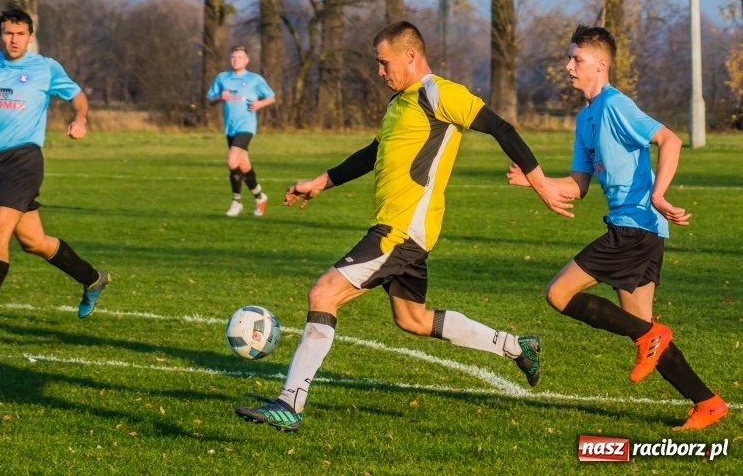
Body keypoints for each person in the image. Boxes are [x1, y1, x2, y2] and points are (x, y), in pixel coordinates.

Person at [234, 21, 575, 432]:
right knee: (412, 319)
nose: (380, 72)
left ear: (411, 56)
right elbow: (373, 154)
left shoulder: (438, 92)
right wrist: (319, 183)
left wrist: (540, 183)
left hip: (401, 230)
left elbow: (501, 127)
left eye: (384, 62)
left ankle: (290, 403)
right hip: (405, 230)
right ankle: (516, 347)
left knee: (323, 293)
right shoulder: (400, 103)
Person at [507, 24, 728, 431]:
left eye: (577, 59)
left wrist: (659, 195)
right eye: (570, 58)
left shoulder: (615, 105)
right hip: (640, 231)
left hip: (635, 227)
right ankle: (708, 402)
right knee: (642, 327)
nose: (569, 65)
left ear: (601, 65)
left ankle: (653, 340)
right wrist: (535, 181)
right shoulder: (586, 118)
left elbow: (670, 140)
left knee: (558, 293)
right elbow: (579, 185)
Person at [0, 9, 110, 335]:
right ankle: (93, 279)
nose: (14, 39)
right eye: (8, 33)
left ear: (29, 36)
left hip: (25, 160)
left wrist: (80, 118)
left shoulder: (44, 67)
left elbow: (77, 96)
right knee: (33, 241)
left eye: (20, 34)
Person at [207, 45, 276, 217]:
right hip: (230, 127)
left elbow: (271, 97)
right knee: (243, 165)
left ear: (246, 60)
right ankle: (260, 197)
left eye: (239, 57)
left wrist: (260, 104)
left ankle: (236, 201)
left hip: (246, 126)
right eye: (233, 57)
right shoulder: (222, 78)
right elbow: (210, 99)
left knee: (232, 162)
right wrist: (218, 97)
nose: (236, 60)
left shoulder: (254, 79)